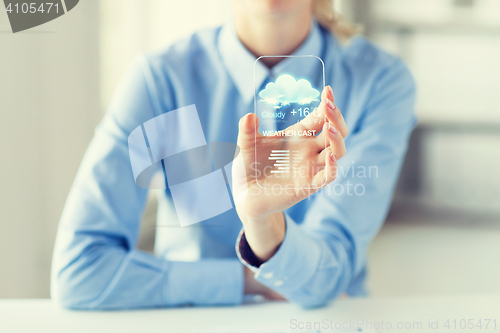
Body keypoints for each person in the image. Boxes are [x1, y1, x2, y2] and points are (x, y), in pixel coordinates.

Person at [51, 0, 416, 309]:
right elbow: (79, 272)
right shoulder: (161, 80)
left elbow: (327, 277)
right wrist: (248, 280)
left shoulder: (379, 82)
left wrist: (263, 222)